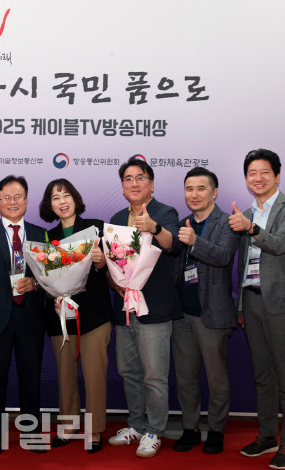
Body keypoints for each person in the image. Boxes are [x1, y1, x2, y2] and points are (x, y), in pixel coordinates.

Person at [229, 149, 285, 470]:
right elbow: (243, 265)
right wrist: (241, 304)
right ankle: (267, 436)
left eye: (265, 172)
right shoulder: (247, 212)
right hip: (251, 301)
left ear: (277, 175)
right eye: (252, 173)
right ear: (246, 179)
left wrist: (251, 228)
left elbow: (281, 244)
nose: (258, 178)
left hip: (283, 304)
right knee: (262, 376)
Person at [107, 157, 181, 458]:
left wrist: (154, 227)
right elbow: (114, 262)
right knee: (128, 371)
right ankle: (136, 424)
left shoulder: (165, 212)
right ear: (122, 186)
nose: (134, 183)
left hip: (155, 307)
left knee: (154, 375)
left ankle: (155, 430)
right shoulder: (116, 217)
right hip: (124, 307)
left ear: (151, 183)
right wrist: (114, 280)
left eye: (140, 178)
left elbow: (173, 244)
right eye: (128, 178)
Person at [0, 175, 46, 455]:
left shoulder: (40, 234)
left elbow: (51, 276)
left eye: (18, 197)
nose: (12, 202)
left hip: (30, 317)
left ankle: (32, 433)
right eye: (6, 197)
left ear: (26, 201)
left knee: (31, 380)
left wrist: (35, 284)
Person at [38, 179, 112, 454]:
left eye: (66, 195)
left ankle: (94, 429)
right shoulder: (47, 238)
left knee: (94, 376)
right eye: (55, 198)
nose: (62, 201)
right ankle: (68, 425)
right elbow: (43, 278)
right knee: (65, 375)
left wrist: (101, 261)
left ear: (75, 198)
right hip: (60, 315)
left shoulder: (96, 228)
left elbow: (115, 268)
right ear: (50, 205)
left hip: (94, 314)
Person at [171, 167, 239, 454]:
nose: (194, 194)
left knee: (216, 378)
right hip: (182, 314)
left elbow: (223, 256)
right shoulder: (181, 222)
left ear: (215, 192)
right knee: (185, 377)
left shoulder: (227, 222)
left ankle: (216, 429)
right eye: (189, 189)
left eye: (201, 188)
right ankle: (190, 427)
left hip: (212, 313)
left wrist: (195, 241)